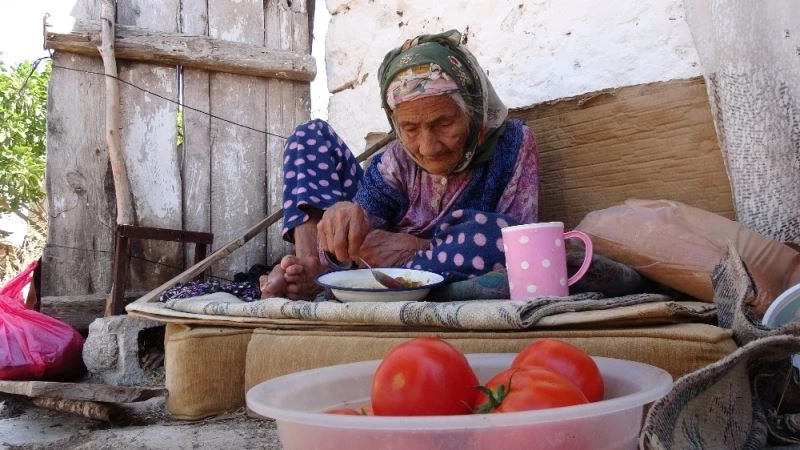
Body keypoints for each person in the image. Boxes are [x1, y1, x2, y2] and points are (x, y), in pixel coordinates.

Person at [260, 29, 540, 300]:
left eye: (443, 123)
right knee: (309, 135)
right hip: (392, 265)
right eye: (409, 128)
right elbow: (365, 227)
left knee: (498, 240)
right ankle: (312, 269)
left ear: (475, 117)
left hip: (451, 259)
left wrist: (419, 249)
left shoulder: (512, 143)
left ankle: (332, 279)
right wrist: (342, 229)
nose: (427, 147)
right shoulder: (394, 160)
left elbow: (523, 245)